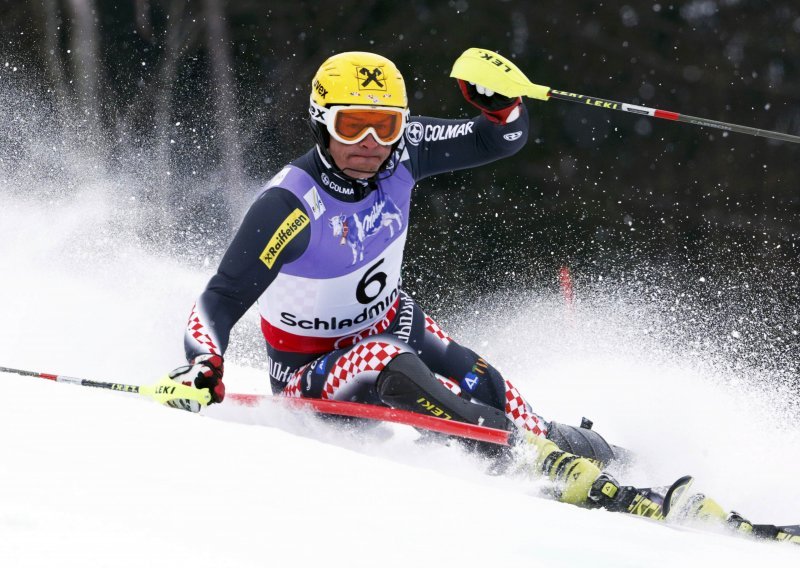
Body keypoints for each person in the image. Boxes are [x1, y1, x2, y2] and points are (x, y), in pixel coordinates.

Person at [166, 50, 798, 542]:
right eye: (351, 125)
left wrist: (501, 109)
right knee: (389, 363)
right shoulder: (289, 204)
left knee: (484, 378)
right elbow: (219, 300)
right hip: (313, 371)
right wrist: (203, 364)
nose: (369, 143)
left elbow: (499, 139)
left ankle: (599, 457)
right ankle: (528, 459)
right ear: (321, 122)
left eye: (383, 126)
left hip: (389, 319)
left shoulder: (403, 153)